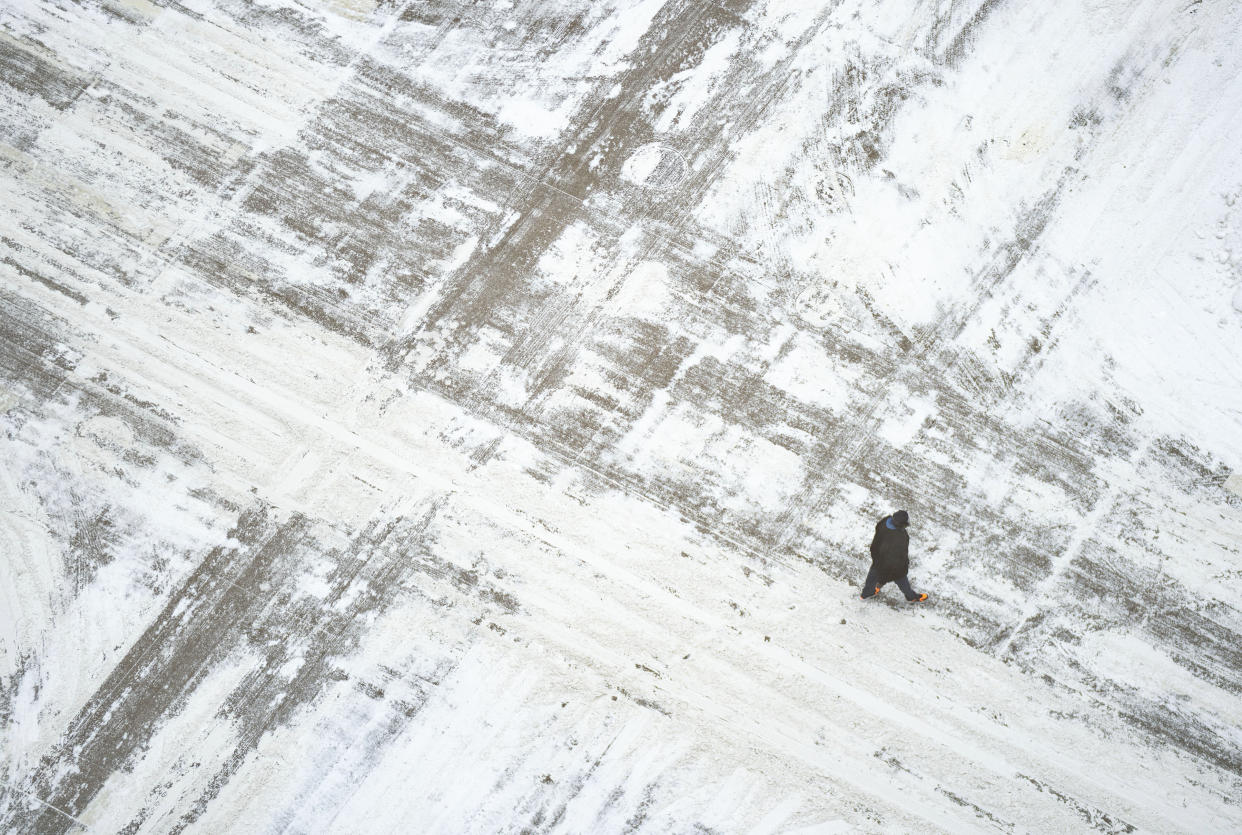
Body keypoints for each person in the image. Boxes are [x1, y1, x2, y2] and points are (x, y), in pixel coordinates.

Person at [860, 510, 928, 602]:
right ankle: (911, 597)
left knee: (873, 575)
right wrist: (903, 566)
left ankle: (866, 594)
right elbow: (899, 557)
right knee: (902, 580)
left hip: (877, 558)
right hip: (893, 566)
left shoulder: (885, 521)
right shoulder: (898, 537)